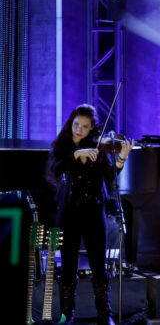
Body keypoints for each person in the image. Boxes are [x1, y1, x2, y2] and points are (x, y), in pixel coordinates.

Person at [47, 103, 134, 324]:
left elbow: (109, 176)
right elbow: (55, 169)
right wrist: (76, 154)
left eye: (85, 127)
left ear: (92, 128)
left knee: (99, 265)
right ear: (71, 123)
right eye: (76, 124)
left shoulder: (98, 148)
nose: (79, 129)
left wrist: (121, 157)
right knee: (68, 265)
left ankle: (105, 315)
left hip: (94, 211)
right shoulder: (61, 147)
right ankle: (67, 314)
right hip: (68, 212)